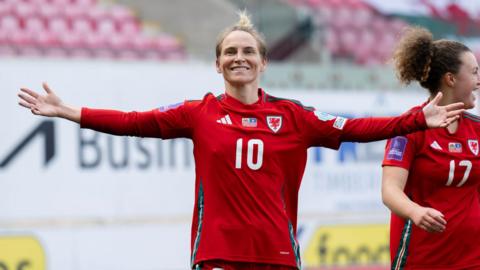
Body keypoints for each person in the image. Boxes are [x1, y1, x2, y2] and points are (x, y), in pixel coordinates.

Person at [18, 13, 463, 270]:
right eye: (230, 52)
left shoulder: (293, 116)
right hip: (217, 255)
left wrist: (414, 119)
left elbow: (354, 129)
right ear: (217, 64)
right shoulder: (200, 112)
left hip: (278, 254)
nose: (239, 58)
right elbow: (135, 121)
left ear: (264, 63)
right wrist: (71, 111)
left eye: (248, 51)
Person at [382, 26, 480, 269]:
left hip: (472, 256)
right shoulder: (410, 126)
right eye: (475, 72)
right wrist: (416, 212)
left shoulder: (477, 129)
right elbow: (390, 191)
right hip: (421, 256)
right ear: (451, 79)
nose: (479, 81)